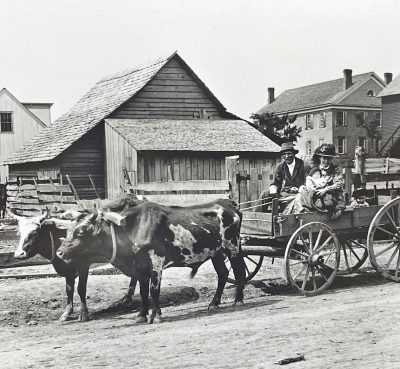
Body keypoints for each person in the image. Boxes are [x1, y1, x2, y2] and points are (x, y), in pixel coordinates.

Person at [284, 143, 346, 219]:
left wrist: (326, 189)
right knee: (300, 196)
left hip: (331, 196)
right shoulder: (315, 169)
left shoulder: (335, 170)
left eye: (329, 159)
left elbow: (338, 184)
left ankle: (303, 216)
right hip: (315, 193)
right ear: (320, 157)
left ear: (332, 159)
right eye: (324, 158)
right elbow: (309, 181)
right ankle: (294, 216)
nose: (326, 161)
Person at [255, 141, 306, 212]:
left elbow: (307, 183)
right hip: (285, 195)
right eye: (284, 154)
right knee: (265, 194)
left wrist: (299, 189)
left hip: (299, 195)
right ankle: (256, 217)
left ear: (294, 154)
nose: (287, 156)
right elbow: (276, 183)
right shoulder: (280, 166)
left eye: (289, 154)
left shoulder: (303, 164)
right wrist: (273, 188)